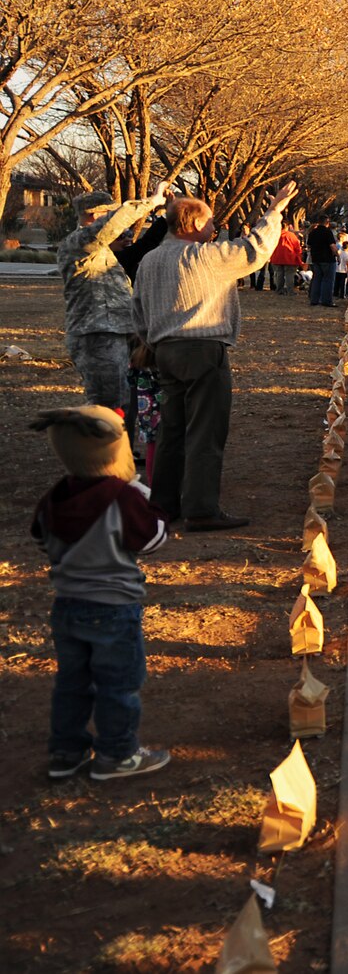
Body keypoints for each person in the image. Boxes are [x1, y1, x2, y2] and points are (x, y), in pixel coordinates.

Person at [136, 183, 295, 531]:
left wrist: (151, 343)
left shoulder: (149, 261)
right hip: (204, 349)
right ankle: (201, 508)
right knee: (205, 432)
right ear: (192, 225)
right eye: (210, 222)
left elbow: (138, 310)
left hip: (164, 352)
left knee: (171, 432)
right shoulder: (205, 257)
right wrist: (275, 211)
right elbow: (255, 249)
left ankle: (163, 505)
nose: (214, 228)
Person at [28, 405, 172, 782]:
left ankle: (66, 752)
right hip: (113, 608)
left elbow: (42, 538)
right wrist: (145, 495)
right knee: (118, 683)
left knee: (72, 682)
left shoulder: (55, 496)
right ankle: (117, 754)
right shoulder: (120, 497)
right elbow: (154, 538)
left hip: (67, 606)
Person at [57, 184, 170, 415]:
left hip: (117, 332)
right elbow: (112, 224)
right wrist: (153, 200)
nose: (119, 223)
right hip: (96, 336)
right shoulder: (78, 244)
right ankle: (104, 450)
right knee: (107, 404)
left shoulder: (102, 251)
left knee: (124, 400)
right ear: (96, 216)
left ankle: (122, 450)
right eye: (110, 213)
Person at [305, 218, 337, 307]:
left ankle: (314, 299)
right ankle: (326, 300)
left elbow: (309, 245)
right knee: (328, 280)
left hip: (316, 259)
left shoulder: (313, 232)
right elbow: (332, 246)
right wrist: (337, 255)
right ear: (327, 223)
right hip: (328, 259)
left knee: (316, 279)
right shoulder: (327, 232)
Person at [268, 222, 305, 294]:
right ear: (287, 227)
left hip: (277, 257)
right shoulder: (291, 235)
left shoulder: (274, 235)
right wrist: (299, 257)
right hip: (290, 258)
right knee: (289, 275)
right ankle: (290, 291)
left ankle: (279, 290)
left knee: (279, 274)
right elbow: (297, 247)